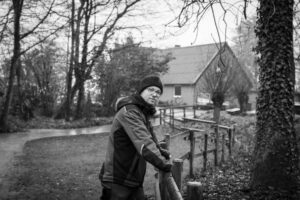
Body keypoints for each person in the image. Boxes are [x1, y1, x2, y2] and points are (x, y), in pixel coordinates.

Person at [99, 75, 172, 200]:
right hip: (118, 177)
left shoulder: (142, 112)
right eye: (151, 90)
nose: (155, 94)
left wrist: (160, 151)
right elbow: (145, 144)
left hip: (132, 178)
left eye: (158, 92)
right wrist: (166, 165)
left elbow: (151, 138)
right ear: (141, 92)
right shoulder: (130, 112)